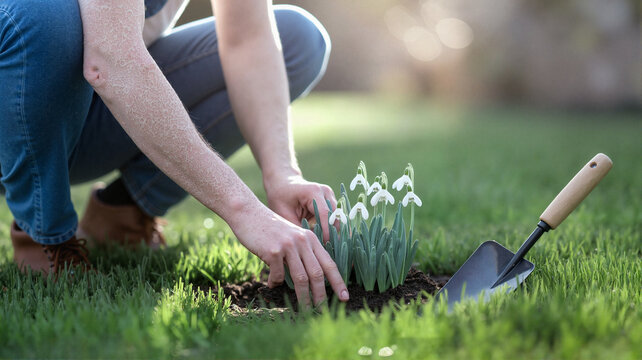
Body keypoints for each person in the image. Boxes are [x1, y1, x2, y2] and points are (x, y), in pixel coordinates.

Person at [0, 0, 349, 307]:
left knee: (297, 38)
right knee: (44, 12)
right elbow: (110, 61)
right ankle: (43, 232)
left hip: (89, 106)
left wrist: (282, 174)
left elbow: (247, 39)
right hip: (14, 109)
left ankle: (123, 212)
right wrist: (244, 210)